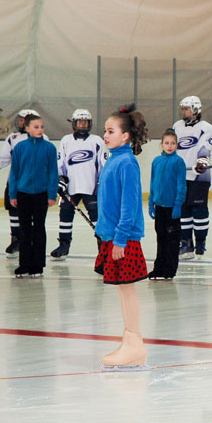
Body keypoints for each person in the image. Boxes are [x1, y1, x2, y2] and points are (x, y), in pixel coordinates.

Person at [94, 104, 149, 371]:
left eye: (110, 131)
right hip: (112, 235)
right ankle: (130, 341)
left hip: (122, 239)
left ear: (125, 136)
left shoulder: (127, 162)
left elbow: (129, 205)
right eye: (105, 130)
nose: (105, 135)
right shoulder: (114, 159)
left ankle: (134, 343)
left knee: (127, 289)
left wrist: (120, 239)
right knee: (122, 289)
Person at [0, 109, 43, 258]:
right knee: (13, 210)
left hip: (34, 184)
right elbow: (3, 160)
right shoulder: (12, 138)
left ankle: (30, 241)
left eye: (23, 120)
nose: (20, 122)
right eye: (19, 119)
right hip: (15, 182)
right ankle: (16, 240)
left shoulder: (41, 137)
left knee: (32, 213)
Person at [51, 109, 106, 260]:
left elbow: (103, 164)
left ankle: (102, 247)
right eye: (79, 122)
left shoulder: (97, 141)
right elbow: (60, 163)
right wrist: (60, 179)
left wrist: (101, 181)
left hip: (91, 187)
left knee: (96, 216)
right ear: (74, 124)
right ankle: (64, 245)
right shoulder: (66, 140)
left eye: (85, 122)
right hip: (70, 188)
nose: (82, 125)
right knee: (65, 215)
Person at [8, 113, 58, 277]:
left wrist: (51, 194)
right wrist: (13, 193)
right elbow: (14, 172)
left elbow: (53, 173)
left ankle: (37, 265)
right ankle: (24, 264)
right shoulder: (20, 148)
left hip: (41, 194)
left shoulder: (49, 148)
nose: (40, 129)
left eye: (42, 127)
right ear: (27, 128)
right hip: (23, 194)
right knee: (24, 230)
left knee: (38, 228)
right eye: (36, 127)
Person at [173, 96, 212, 260]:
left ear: (196, 109)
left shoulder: (206, 128)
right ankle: (186, 243)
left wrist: (202, 161)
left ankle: (200, 242)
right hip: (181, 176)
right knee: (184, 210)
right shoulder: (177, 126)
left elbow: (205, 147)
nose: (184, 112)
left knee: (199, 209)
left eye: (187, 108)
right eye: (183, 109)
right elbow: (172, 146)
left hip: (199, 177)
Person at [148, 129, 186, 280]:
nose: (169, 146)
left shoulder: (178, 162)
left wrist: (178, 204)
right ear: (161, 144)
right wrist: (151, 203)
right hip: (160, 207)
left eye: (172, 143)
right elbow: (152, 183)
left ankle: (170, 270)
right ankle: (159, 268)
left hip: (172, 208)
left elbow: (181, 186)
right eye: (166, 143)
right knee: (161, 238)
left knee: (172, 240)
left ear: (177, 145)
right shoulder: (156, 161)